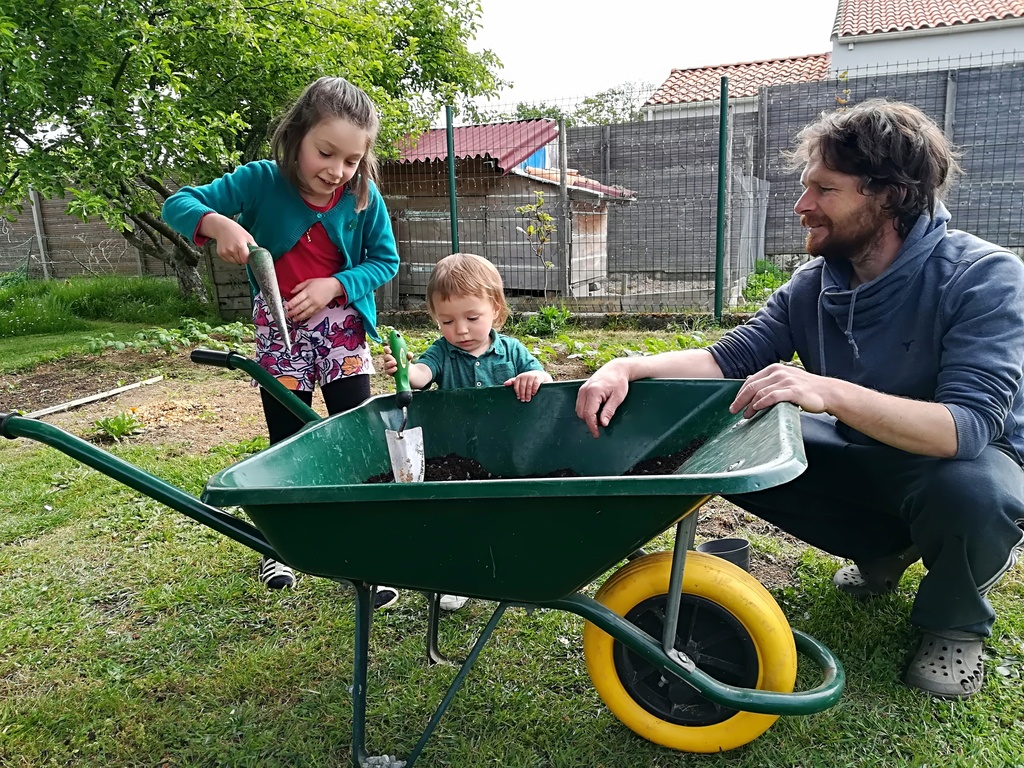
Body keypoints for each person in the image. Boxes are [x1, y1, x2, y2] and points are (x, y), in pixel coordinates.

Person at [575, 99, 1024, 700]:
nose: (801, 205)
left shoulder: (983, 276)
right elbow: (726, 360)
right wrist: (628, 364)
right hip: (866, 453)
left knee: (972, 494)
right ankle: (881, 550)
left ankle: (956, 621)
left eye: (824, 189)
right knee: (726, 432)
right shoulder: (814, 285)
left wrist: (825, 390)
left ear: (888, 195)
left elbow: (966, 429)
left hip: (955, 463)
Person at [162, 76, 400, 604]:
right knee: (288, 437)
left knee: (351, 439)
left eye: (351, 160)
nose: (337, 170)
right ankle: (281, 545)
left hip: (343, 329)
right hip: (279, 329)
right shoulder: (260, 181)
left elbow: (386, 261)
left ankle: (365, 549)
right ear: (295, 137)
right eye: (325, 151)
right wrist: (217, 222)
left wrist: (335, 284)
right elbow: (178, 203)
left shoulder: (362, 198)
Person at [383, 252, 554, 610]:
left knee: (506, 516)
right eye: (446, 321)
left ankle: (510, 567)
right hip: (457, 457)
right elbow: (421, 377)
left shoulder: (512, 350)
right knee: (457, 518)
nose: (459, 330)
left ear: (495, 308)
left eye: (471, 318)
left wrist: (534, 377)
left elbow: (545, 379)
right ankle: (457, 577)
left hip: (507, 454)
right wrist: (404, 369)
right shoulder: (442, 353)